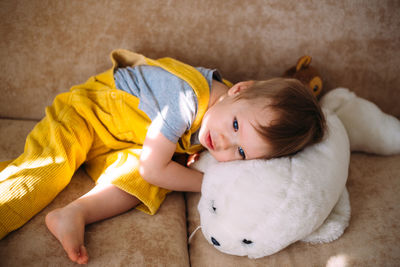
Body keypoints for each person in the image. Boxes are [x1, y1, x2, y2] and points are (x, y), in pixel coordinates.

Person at [0, 49, 325, 264]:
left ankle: (75, 213)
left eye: (240, 152)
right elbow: (155, 167)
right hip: (85, 115)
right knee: (46, 172)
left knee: (144, 183)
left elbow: (151, 170)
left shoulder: (225, 112)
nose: (224, 144)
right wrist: (210, 181)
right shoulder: (184, 98)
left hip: (125, 143)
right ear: (237, 89)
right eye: (236, 125)